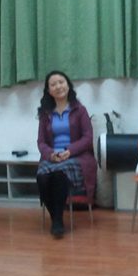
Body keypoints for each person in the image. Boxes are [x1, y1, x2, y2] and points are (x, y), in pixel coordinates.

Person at [36, 71, 96, 239]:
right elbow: (41, 142)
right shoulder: (45, 113)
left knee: (59, 173)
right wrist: (50, 154)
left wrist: (69, 151)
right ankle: (56, 217)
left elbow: (88, 138)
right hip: (53, 157)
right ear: (49, 91)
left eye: (61, 82)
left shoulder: (80, 110)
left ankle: (57, 221)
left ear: (68, 85)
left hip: (76, 157)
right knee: (42, 177)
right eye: (53, 84)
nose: (58, 86)